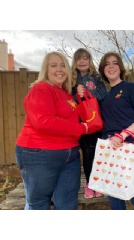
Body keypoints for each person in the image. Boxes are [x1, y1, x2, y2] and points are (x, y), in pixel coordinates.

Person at [15, 51, 96, 210]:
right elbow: (44, 121)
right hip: (40, 154)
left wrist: (83, 97)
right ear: (46, 70)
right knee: (39, 204)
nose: (59, 69)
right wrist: (82, 128)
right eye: (54, 65)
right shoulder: (41, 89)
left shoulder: (65, 93)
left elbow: (73, 117)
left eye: (62, 66)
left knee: (67, 203)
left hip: (70, 155)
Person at [96, 51, 134, 210]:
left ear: (120, 67)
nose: (111, 66)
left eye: (114, 63)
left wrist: (122, 135)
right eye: (107, 64)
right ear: (103, 69)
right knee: (113, 192)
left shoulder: (130, 88)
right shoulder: (105, 95)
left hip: (129, 145)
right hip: (110, 148)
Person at [71, 48, 107, 198]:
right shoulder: (71, 78)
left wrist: (87, 92)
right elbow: (68, 99)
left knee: (97, 153)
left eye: (85, 58)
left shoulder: (96, 78)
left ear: (89, 61)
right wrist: (76, 94)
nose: (82, 61)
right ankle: (89, 184)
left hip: (95, 121)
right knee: (86, 153)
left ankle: (97, 183)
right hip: (80, 123)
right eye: (79, 59)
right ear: (75, 61)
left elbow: (103, 95)